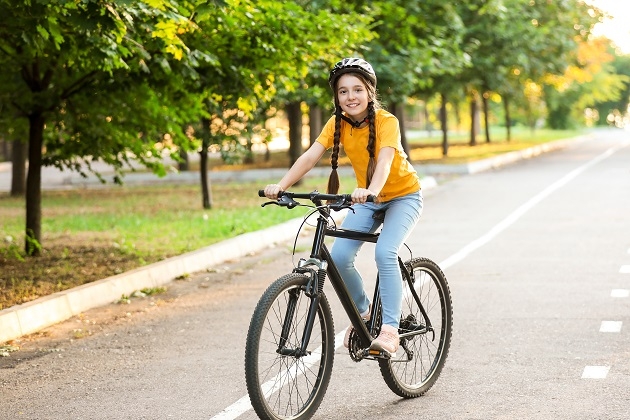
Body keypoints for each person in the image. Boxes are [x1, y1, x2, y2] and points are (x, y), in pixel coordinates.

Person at [263, 57, 423, 355]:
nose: (351, 97)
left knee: (385, 252)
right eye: (343, 91)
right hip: (367, 199)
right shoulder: (336, 123)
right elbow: (311, 156)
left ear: (370, 92)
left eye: (357, 89)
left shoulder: (386, 121)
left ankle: (389, 330)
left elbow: (386, 161)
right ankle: (365, 314)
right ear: (336, 97)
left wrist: (372, 190)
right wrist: (282, 186)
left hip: (403, 196)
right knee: (338, 256)